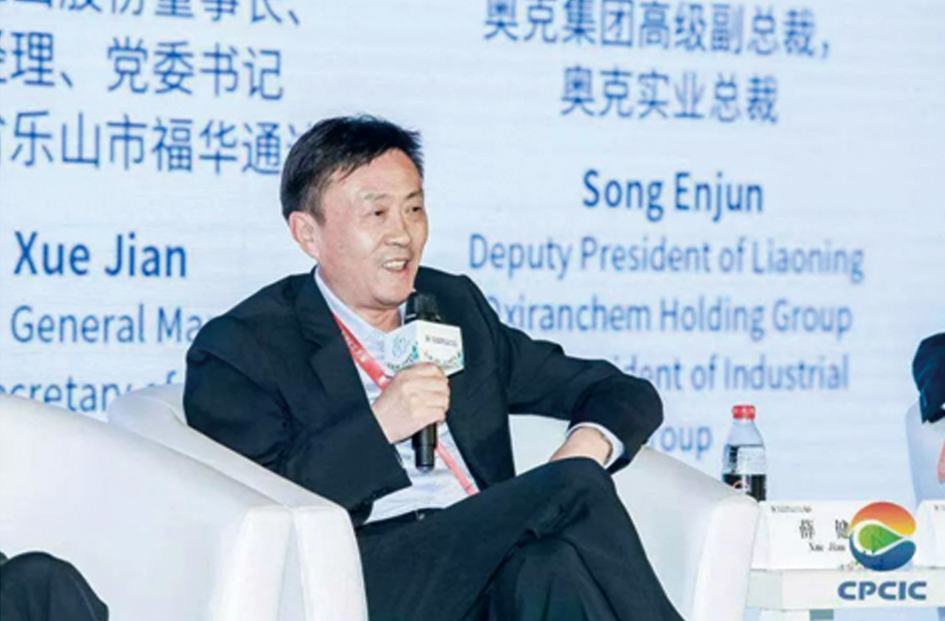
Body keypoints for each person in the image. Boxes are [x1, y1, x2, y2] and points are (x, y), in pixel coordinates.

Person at [185, 115, 683, 621]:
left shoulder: (454, 306)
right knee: (573, 488)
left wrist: (586, 447)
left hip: (481, 553)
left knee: (548, 565)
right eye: (376, 213)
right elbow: (260, 504)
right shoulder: (243, 347)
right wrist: (381, 426)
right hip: (359, 577)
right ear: (308, 234)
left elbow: (621, 391)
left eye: (414, 209)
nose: (402, 234)